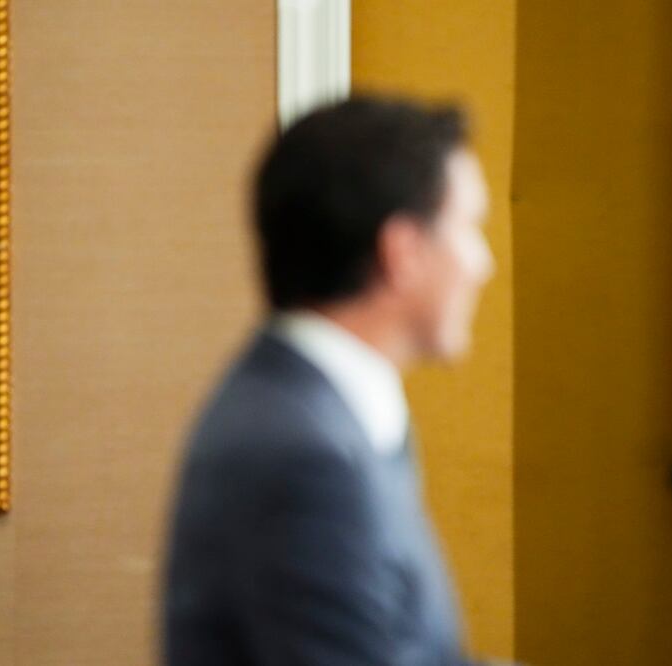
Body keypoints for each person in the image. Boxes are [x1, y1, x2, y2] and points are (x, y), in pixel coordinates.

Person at [164, 96, 496, 665]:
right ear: (403, 252)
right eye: (468, 228)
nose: (482, 263)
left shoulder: (312, 410)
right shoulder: (305, 453)